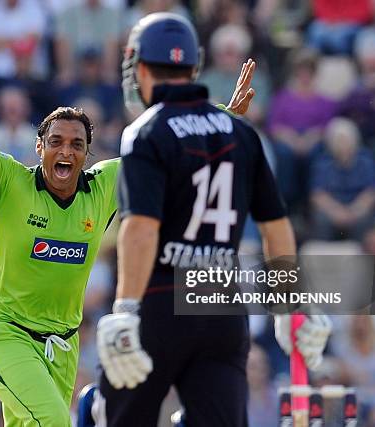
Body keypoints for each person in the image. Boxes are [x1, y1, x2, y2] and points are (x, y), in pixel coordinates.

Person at [0, 30, 251, 426]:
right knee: (54, 422)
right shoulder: (6, 180)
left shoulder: (101, 189)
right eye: (56, 141)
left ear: (86, 154)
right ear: (39, 147)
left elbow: (165, 144)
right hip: (3, 334)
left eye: (77, 144)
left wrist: (224, 116)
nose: (66, 151)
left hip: (62, 346)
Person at [93, 13, 332, 426]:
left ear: (140, 66)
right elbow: (276, 228)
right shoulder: (240, 132)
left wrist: (125, 309)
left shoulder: (146, 131)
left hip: (161, 299)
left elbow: (142, 228)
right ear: (194, 66)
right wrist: (287, 306)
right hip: (222, 305)